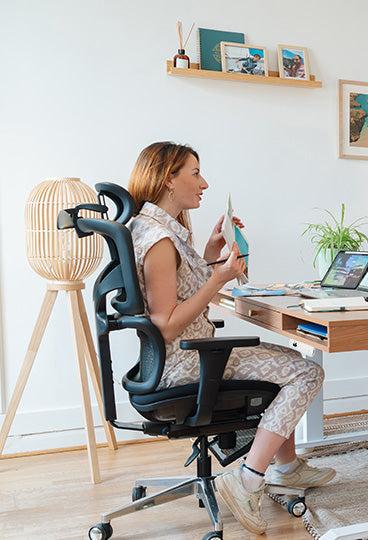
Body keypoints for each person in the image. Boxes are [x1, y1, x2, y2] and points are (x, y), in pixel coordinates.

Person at [127, 142, 335, 534]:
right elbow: (167, 324)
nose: (204, 183)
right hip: (184, 361)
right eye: (194, 173)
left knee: (288, 365)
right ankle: (249, 478)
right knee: (306, 374)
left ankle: (287, 468)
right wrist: (220, 278)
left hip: (181, 355)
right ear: (169, 179)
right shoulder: (158, 239)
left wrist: (208, 254)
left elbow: (180, 291)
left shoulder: (156, 228)